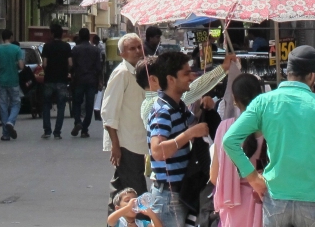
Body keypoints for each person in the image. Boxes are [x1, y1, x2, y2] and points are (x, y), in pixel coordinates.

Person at [223, 45, 315, 227]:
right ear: (312, 76)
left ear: (288, 72)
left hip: (276, 199)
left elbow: (229, 141)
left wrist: (253, 178)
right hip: (313, 202)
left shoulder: (264, 102)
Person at [146, 50, 211, 227]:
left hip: (179, 193)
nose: (191, 77)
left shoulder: (178, 107)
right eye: (186, 73)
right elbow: (158, 151)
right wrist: (190, 134)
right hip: (168, 197)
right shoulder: (163, 111)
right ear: (171, 79)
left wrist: (207, 107)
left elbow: (196, 123)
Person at [211, 74, 265, 227]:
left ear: (235, 99)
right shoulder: (270, 128)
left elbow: (214, 177)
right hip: (263, 200)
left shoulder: (225, 128)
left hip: (233, 205)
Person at [103, 33, 147, 205]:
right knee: (137, 192)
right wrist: (115, 145)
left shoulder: (140, 72)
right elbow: (108, 112)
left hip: (136, 141)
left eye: (139, 47)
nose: (137, 51)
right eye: (132, 48)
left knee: (121, 190)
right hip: (126, 142)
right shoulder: (122, 73)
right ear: (122, 54)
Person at [42, 23, 73, 140]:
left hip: (49, 79)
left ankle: (47, 130)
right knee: (61, 106)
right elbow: (70, 63)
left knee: (46, 105)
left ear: (52, 33)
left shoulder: (47, 46)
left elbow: (44, 63)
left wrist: (48, 69)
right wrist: (66, 70)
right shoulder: (66, 47)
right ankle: (57, 132)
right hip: (62, 80)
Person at [0, 29, 25, 141]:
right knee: (16, 103)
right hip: (13, 81)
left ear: (2, 37)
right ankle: (11, 122)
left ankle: (5, 134)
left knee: (3, 106)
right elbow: (21, 66)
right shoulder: (16, 49)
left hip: (1, 81)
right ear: (11, 37)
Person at [72, 28, 102, 137]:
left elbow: (72, 66)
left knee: (77, 103)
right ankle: (84, 129)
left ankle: (78, 121)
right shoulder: (95, 50)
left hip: (78, 80)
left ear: (79, 37)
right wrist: (100, 81)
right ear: (89, 37)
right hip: (91, 80)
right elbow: (99, 67)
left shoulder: (75, 49)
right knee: (89, 105)